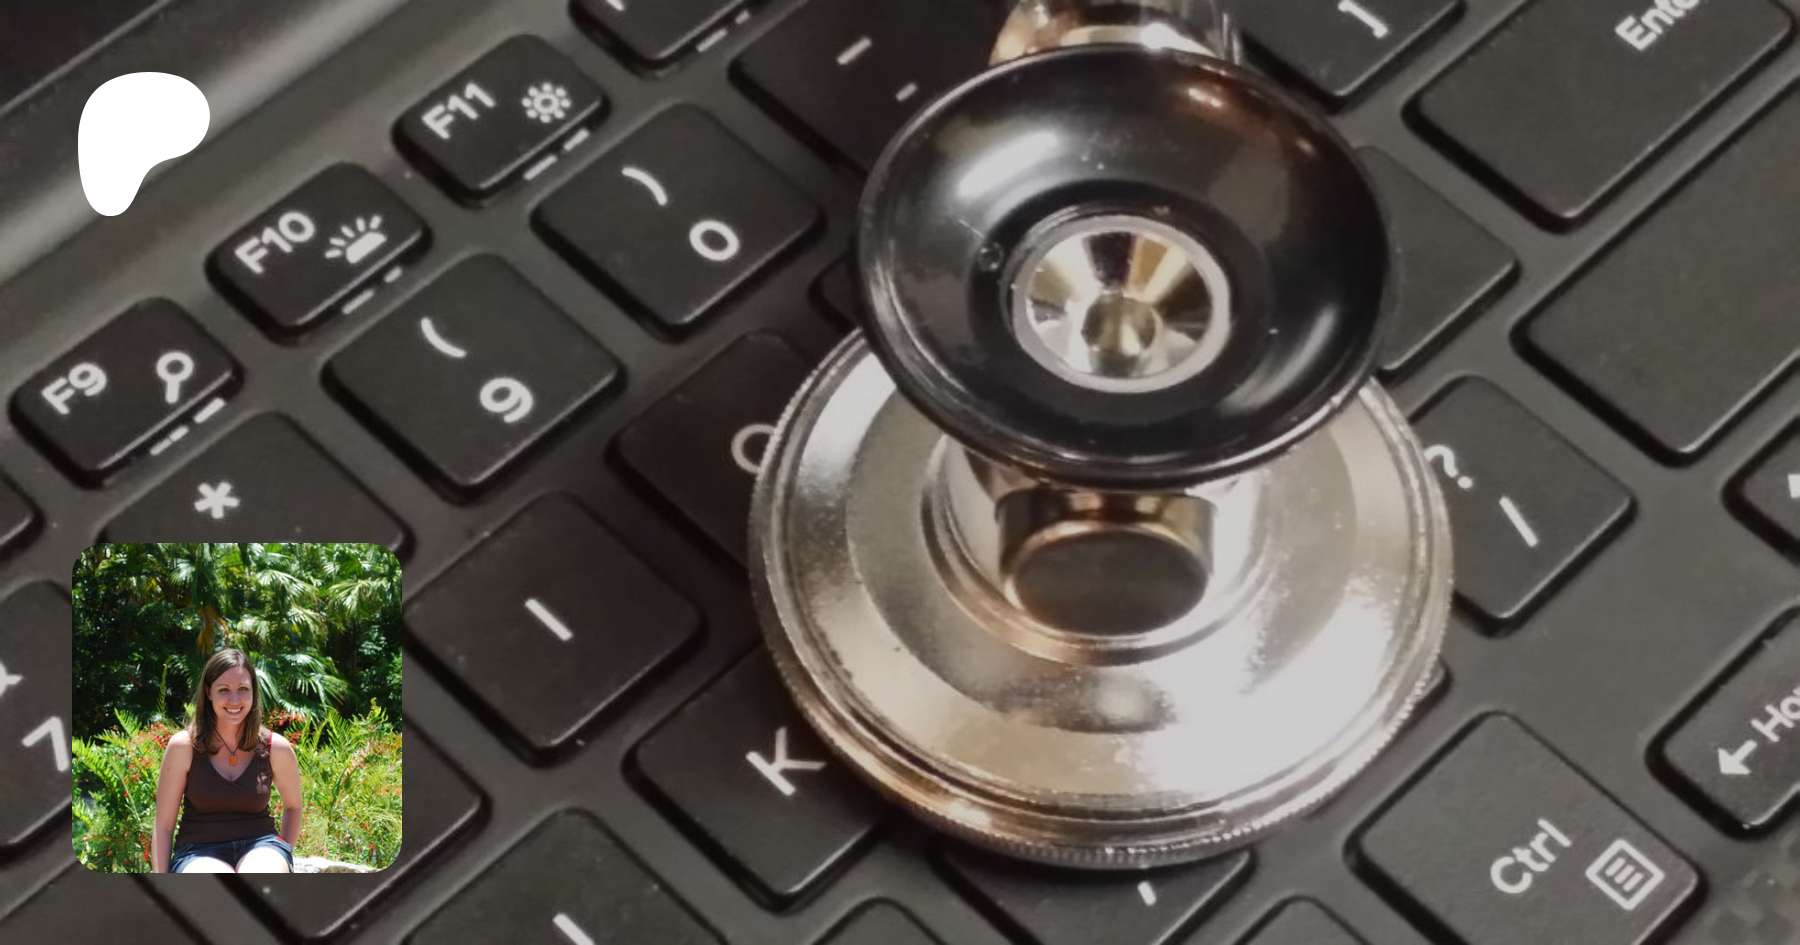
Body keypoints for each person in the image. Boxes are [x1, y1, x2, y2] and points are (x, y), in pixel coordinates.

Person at [150, 648, 304, 873]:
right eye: (223, 690)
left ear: (253, 692)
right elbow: (163, 826)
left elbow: (293, 806)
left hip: (261, 846)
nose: (234, 699)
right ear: (208, 692)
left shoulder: (275, 748)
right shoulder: (183, 747)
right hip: (197, 852)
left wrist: (284, 856)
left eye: (243, 689)